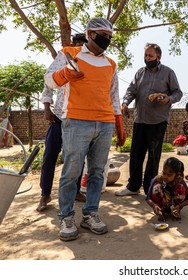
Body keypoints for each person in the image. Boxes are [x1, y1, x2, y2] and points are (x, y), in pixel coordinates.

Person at [44, 18, 126, 241]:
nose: (106, 39)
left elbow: (114, 96)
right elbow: (49, 80)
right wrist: (66, 74)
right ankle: (66, 216)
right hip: (76, 121)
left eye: (109, 36)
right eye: (102, 34)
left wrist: (118, 123)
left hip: (105, 122)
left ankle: (90, 214)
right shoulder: (69, 53)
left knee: (98, 172)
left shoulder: (110, 63)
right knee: (71, 171)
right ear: (90, 33)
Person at [115, 43, 183, 197]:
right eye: (145, 55)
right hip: (140, 120)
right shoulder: (140, 73)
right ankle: (133, 187)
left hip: (158, 121)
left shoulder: (168, 73)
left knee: (153, 157)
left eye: (150, 56)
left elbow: (178, 93)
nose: (147, 58)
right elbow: (131, 90)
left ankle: (150, 188)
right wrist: (125, 103)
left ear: (158, 57)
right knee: (135, 155)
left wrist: (168, 98)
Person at [37, 33, 88, 212]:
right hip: (59, 116)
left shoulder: (89, 61)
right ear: (73, 45)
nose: (80, 48)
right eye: (78, 44)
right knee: (50, 155)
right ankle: (45, 194)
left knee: (77, 158)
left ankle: (74, 192)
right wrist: (46, 108)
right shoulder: (64, 56)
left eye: (84, 45)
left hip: (78, 119)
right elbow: (48, 81)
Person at [146, 157, 188, 221]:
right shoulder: (157, 179)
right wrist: (154, 206)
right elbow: (148, 198)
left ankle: (175, 211)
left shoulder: (179, 180)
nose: (165, 176)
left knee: (180, 188)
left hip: (175, 205)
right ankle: (161, 212)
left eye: (169, 175)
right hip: (162, 204)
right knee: (157, 188)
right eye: (164, 173)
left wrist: (179, 206)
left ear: (176, 174)